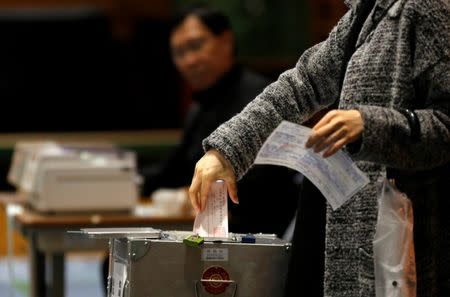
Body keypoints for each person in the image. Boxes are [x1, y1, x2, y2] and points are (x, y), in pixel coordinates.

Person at [189, 0, 450, 296]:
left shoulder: (426, 8)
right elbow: (301, 84)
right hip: (360, 237)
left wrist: (370, 125)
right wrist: (226, 151)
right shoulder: (367, 12)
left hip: (410, 241)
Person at [139, 3, 301, 237]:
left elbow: (268, 177)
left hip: (255, 233)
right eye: (179, 53)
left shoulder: (263, 97)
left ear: (226, 40)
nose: (189, 60)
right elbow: (172, 169)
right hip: (207, 227)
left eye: (196, 46)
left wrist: (201, 191)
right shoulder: (199, 107)